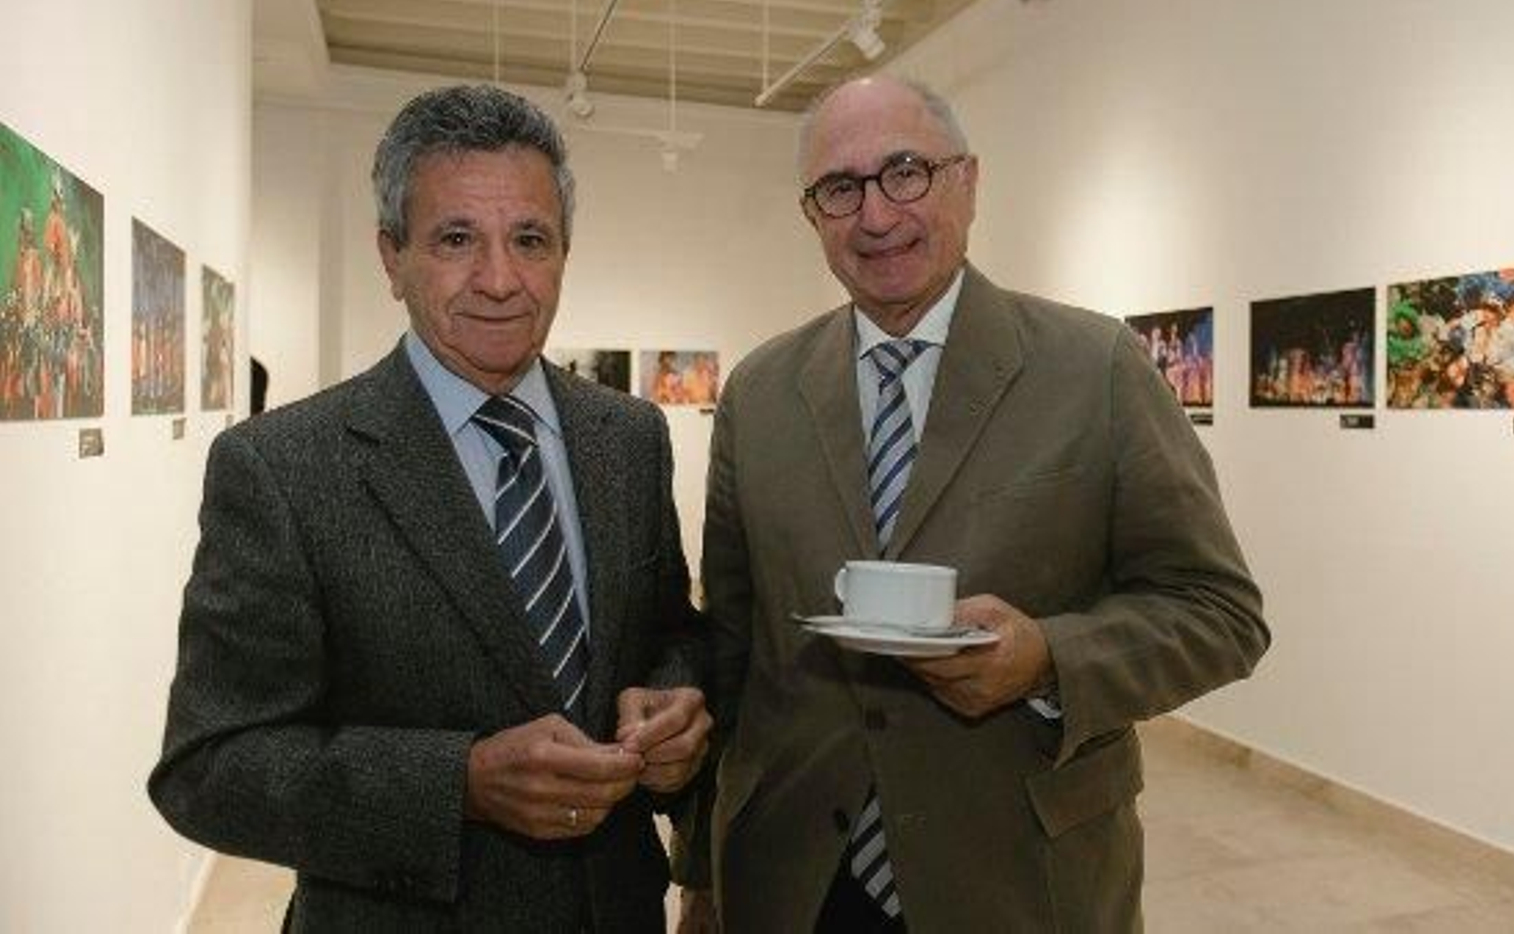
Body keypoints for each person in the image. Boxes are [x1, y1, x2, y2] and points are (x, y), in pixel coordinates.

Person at [677, 76, 1268, 932]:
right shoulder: (760, 393)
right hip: (793, 877)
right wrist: (701, 871)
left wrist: (1045, 658)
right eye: (840, 189)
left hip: (1019, 876)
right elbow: (732, 652)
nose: (877, 216)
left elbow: (1220, 613)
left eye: (907, 171)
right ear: (813, 215)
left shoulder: (1094, 368)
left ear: (970, 181)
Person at [150, 84, 712, 931]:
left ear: (564, 249)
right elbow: (210, 767)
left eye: (530, 239)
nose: (498, 279)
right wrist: (459, 785)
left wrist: (675, 703)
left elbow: (669, 630)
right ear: (391, 256)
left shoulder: (629, 437)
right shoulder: (285, 466)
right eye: (455, 239)